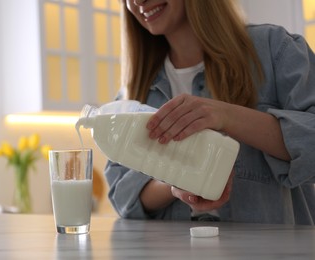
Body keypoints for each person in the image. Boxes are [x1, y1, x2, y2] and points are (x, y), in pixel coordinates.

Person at [104, 0, 315, 225]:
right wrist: (177, 181)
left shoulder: (275, 49)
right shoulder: (135, 92)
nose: (137, 1)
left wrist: (225, 116)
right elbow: (121, 194)